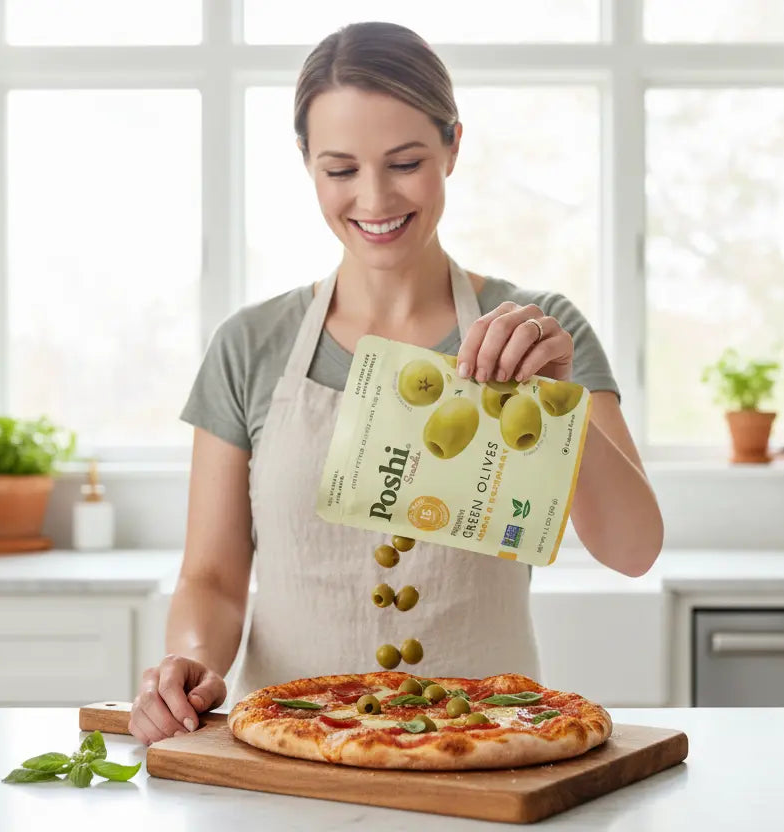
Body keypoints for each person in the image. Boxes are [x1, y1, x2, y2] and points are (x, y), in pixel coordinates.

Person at [128, 21, 664, 746]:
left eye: (405, 162)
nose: (374, 199)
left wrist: (558, 403)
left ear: (453, 146)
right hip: (294, 764)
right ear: (305, 162)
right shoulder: (250, 346)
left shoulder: (541, 332)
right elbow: (214, 579)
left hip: (487, 755)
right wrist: (188, 665)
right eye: (340, 170)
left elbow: (633, 550)